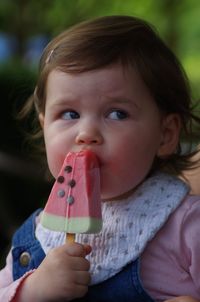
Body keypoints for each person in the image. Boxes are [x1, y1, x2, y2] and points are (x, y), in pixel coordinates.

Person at [0, 15, 200, 302]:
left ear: (165, 135)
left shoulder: (187, 225)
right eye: (69, 114)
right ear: (44, 125)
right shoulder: (37, 235)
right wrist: (31, 291)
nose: (86, 133)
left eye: (117, 113)